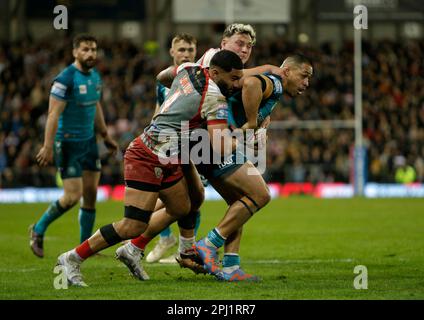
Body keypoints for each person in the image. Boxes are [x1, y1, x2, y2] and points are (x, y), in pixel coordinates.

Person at [55, 49, 244, 286]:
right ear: (215, 72)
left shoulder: (188, 69)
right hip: (146, 156)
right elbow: (221, 146)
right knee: (132, 226)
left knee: (183, 205)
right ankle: (71, 258)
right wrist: (245, 139)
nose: (237, 85)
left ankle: (139, 251)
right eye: (234, 79)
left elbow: (162, 76)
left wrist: (178, 96)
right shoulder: (216, 99)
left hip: (167, 155)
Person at [29, 34, 118, 258]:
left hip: (89, 142)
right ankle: (38, 229)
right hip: (67, 143)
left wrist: (105, 135)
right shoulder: (65, 79)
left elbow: (95, 105)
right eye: (86, 49)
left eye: (94, 49)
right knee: (71, 197)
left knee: (90, 195)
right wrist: (47, 146)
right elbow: (53, 113)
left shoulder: (95, 76)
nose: (90, 54)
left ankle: (84, 247)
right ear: (75, 52)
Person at [146, 33, 200, 265]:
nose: (186, 54)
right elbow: (159, 110)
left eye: (189, 49)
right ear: (172, 52)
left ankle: (184, 248)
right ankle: (169, 240)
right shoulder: (163, 80)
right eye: (181, 50)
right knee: (162, 194)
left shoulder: (200, 77)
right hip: (166, 144)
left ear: (196, 52)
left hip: (194, 144)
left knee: (192, 198)